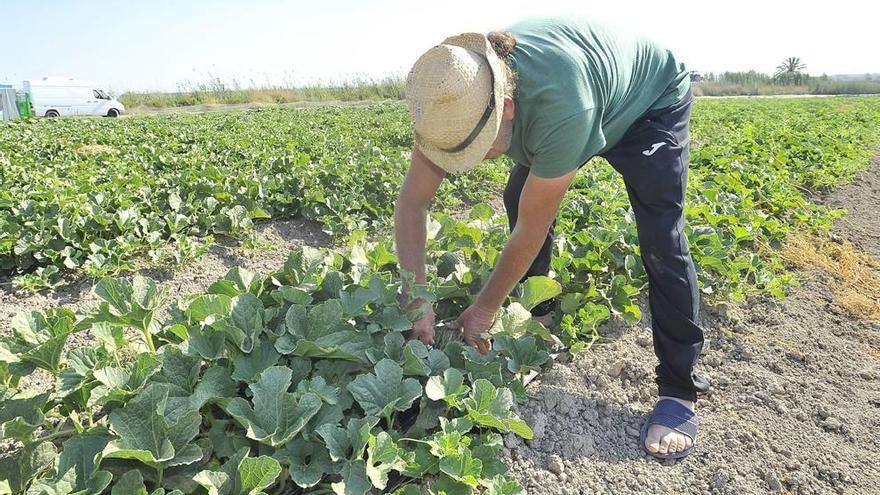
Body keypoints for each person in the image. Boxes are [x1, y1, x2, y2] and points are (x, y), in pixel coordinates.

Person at [393, 17, 709, 461]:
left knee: (661, 239)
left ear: (505, 108)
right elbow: (412, 205)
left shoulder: (564, 107)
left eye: (475, 147)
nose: (467, 160)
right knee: (513, 193)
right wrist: (416, 297)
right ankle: (538, 317)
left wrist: (484, 310)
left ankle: (679, 390)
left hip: (648, 101)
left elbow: (531, 228)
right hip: (575, 95)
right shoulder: (451, 97)